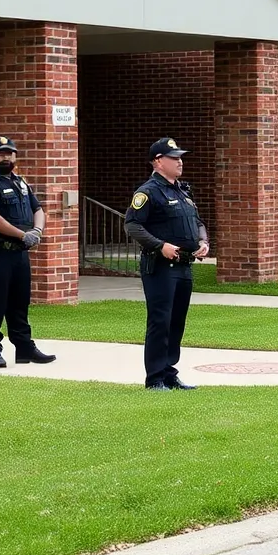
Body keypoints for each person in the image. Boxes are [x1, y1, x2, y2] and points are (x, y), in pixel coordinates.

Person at [124, 137, 209, 391]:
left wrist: (203, 241)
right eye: (174, 158)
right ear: (158, 161)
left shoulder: (182, 190)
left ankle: (169, 373)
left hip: (184, 266)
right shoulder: (148, 192)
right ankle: (155, 378)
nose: (180, 162)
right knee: (160, 321)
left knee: (176, 322)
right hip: (160, 267)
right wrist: (160, 245)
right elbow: (132, 225)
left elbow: (197, 222)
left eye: (180, 157)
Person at [0, 136, 56, 369]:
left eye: (9, 153)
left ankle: (24, 347)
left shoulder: (21, 183)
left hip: (19, 252)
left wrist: (37, 231)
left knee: (20, 301)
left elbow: (38, 209)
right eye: (1, 153)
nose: (6, 157)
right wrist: (22, 235)